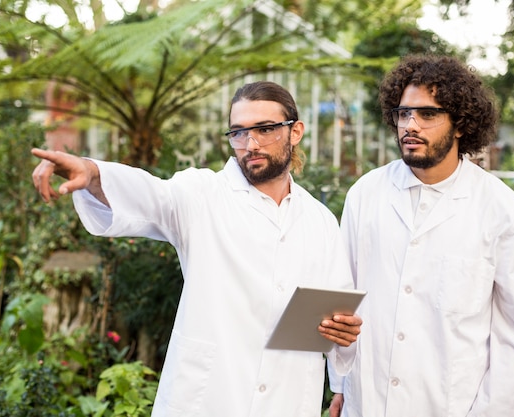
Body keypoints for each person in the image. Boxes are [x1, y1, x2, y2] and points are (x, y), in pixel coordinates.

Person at [32, 81, 362, 417]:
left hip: (287, 399)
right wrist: (92, 173)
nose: (251, 144)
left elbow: (339, 316)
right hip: (210, 399)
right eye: (239, 133)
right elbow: (151, 196)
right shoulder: (203, 193)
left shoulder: (319, 220)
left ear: (295, 132)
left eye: (265, 129)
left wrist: (343, 334)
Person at [328, 54, 514, 417]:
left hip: (452, 406)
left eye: (427, 114)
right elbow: (343, 302)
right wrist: (342, 385)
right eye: (403, 113)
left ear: (460, 124)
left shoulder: (501, 210)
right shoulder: (365, 194)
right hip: (368, 401)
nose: (411, 125)